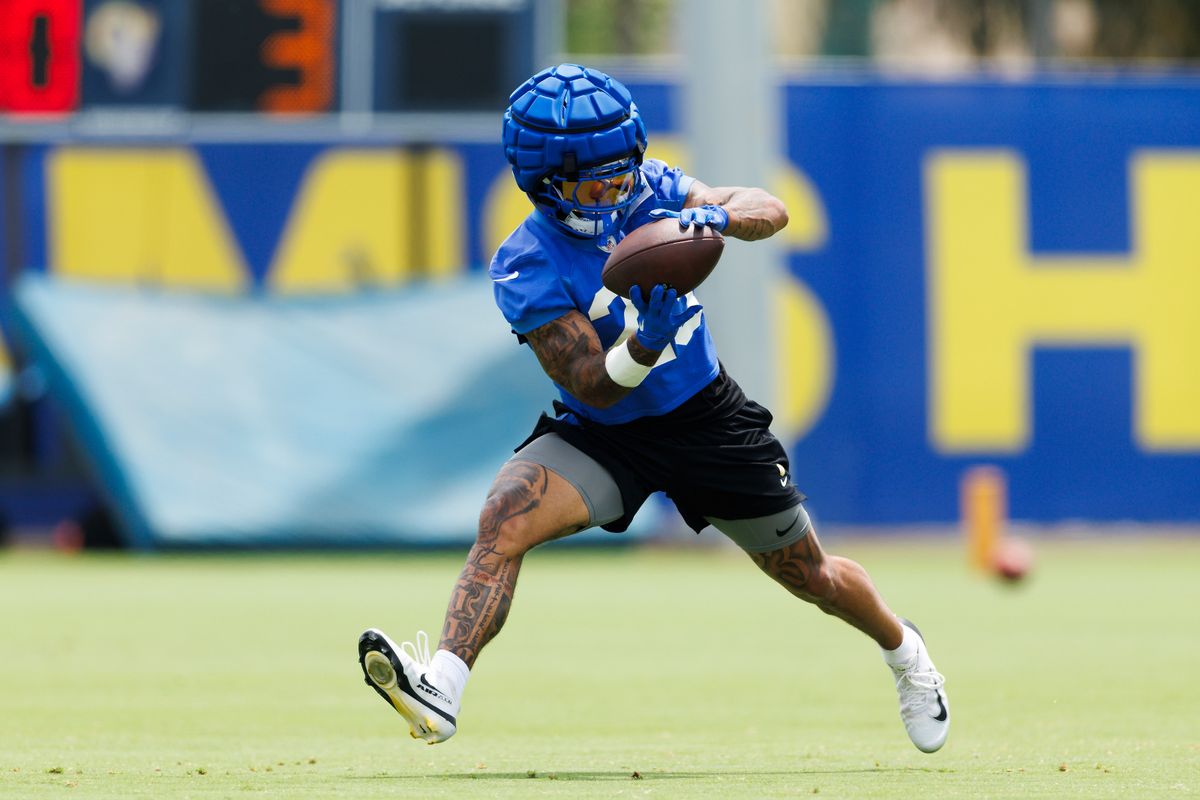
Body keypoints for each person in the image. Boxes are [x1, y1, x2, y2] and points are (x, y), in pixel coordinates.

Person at [357, 63, 949, 754]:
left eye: (621, 169)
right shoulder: (525, 263)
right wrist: (643, 343)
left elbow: (770, 208)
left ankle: (907, 652)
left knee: (811, 576)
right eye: (593, 178)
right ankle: (441, 691)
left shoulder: (651, 187)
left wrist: (717, 214)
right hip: (607, 433)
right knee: (505, 513)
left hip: (707, 420)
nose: (614, 188)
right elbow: (589, 382)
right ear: (544, 183)